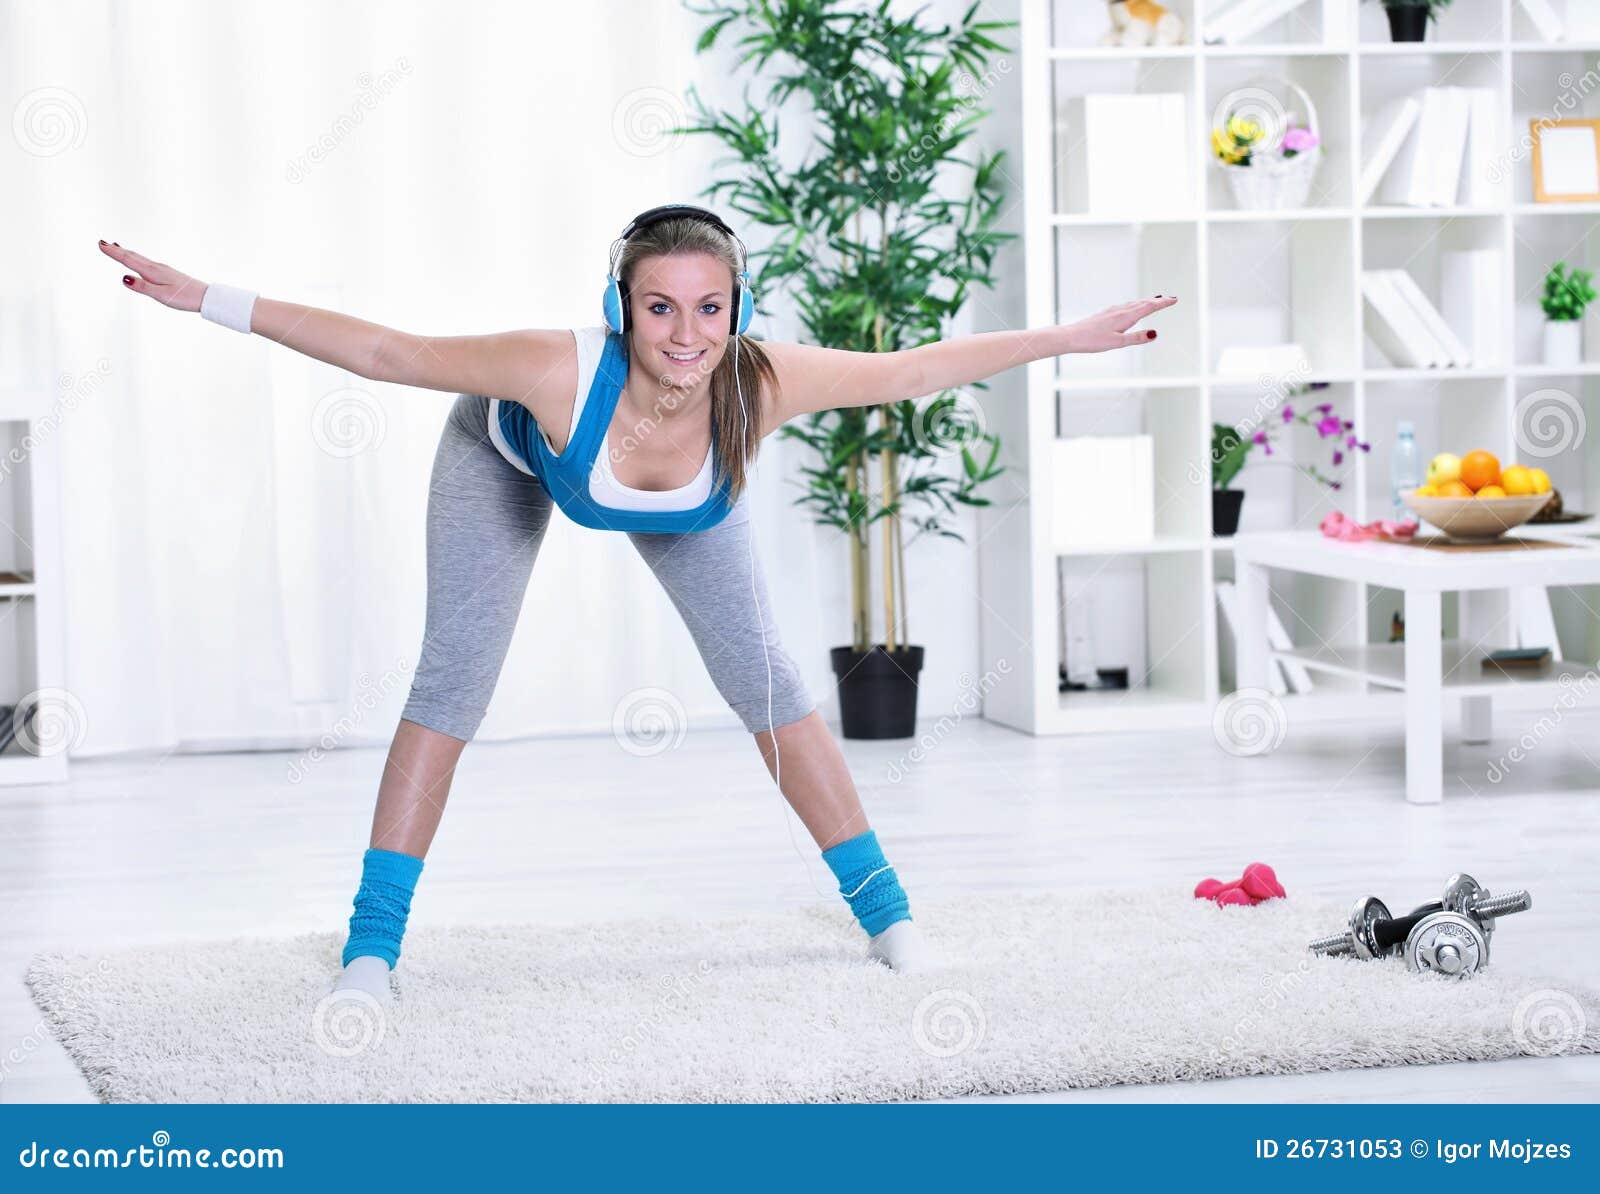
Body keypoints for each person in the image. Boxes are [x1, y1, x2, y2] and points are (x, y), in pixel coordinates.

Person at [97, 207, 1175, 1001]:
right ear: (621, 307)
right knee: (453, 684)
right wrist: (212, 301)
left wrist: (1063, 339)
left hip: (684, 501)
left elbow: (907, 371)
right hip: (512, 464)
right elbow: (389, 354)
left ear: (739, 310)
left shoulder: (757, 381)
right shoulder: (556, 370)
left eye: (710, 307)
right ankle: (371, 953)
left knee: (769, 687)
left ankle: (889, 920)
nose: (686, 332)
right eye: (659, 306)